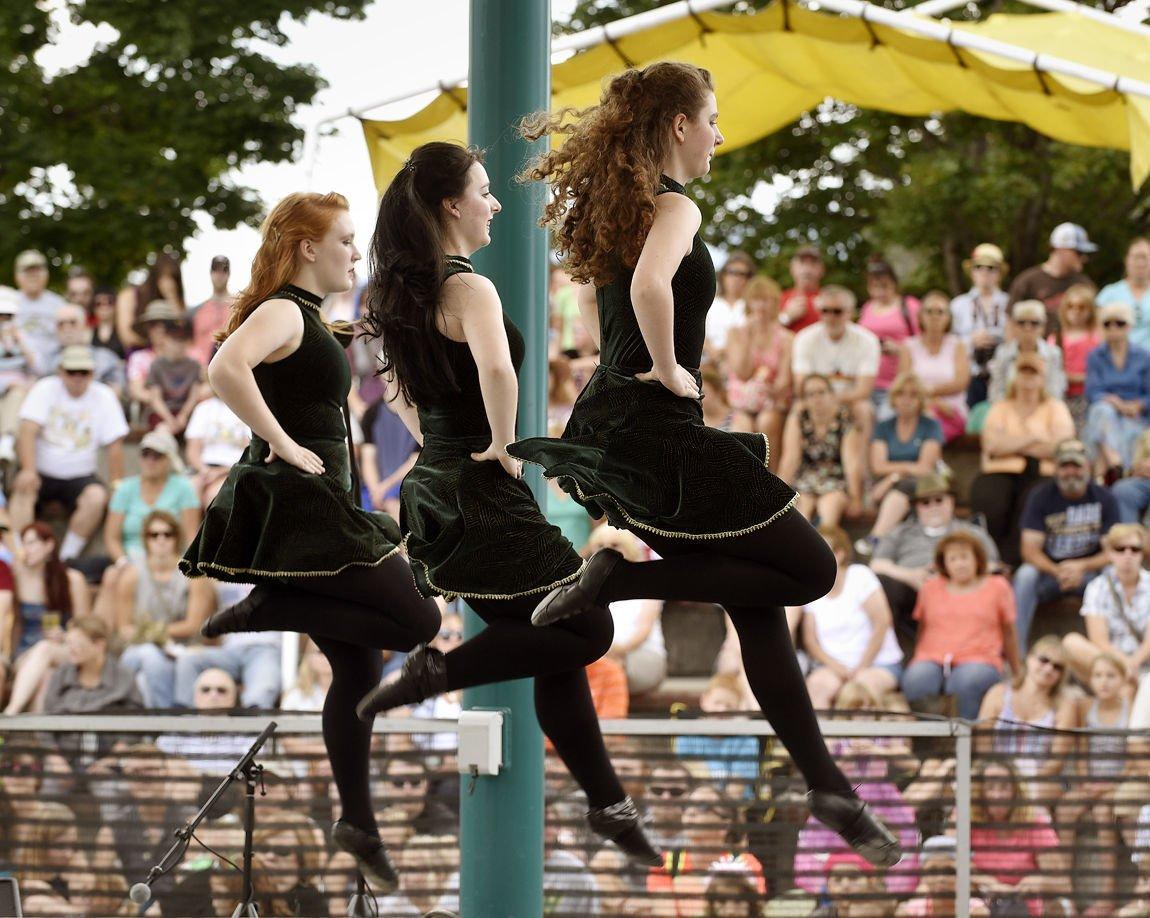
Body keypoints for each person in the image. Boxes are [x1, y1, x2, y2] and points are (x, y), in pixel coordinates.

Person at [511, 60, 900, 867]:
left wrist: (627, 366)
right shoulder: (675, 205)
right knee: (813, 570)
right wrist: (666, 367)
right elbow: (653, 289)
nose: (720, 135)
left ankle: (828, 784)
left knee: (755, 609)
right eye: (713, 120)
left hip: (618, 423)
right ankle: (621, 578)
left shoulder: (611, 214)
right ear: (680, 125)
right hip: (662, 426)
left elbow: (591, 307)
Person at [353, 141, 662, 866]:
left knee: (554, 648)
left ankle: (607, 803)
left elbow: (392, 389)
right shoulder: (470, 288)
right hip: (482, 483)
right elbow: (496, 365)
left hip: (434, 486)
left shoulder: (398, 295)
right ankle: (437, 674)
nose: (494, 204)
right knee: (584, 631)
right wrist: (499, 441)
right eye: (484, 192)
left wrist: (433, 443)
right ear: (450, 205)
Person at [181, 190, 442, 892]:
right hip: (306, 506)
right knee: (421, 618)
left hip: (320, 500)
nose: (356, 253)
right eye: (347, 240)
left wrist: (337, 339)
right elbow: (224, 369)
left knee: (357, 673)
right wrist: (283, 442)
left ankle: (356, 821)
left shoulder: (302, 318)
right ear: (307, 247)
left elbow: (283, 369)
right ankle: (274, 609)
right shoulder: (277, 312)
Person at [11, 344, 128, 560]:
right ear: (60, 371)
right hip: (42, 471)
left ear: (92, 373)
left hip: (81, 476)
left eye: (83, 372)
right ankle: (20, 554)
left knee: (96, 497)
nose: (78, 377)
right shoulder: (45, 388)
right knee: (22, 488)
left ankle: (66, 558)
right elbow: (27, 430)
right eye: (72, 372)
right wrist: (29, 469)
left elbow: (115, 445)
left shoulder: (104, 396)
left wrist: (117, 485)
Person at [968, 352, 1075, 568]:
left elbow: (1062, 448)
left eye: (1033, 373)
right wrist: (1034, 438)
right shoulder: (1000, 408)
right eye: (1022, 373)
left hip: (1042, 472)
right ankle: (990, 557)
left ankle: (1013, 563)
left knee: (1031, 502)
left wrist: (1012, 444)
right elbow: (991, 446)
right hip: (1000, 470)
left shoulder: (1055, 407)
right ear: (1014, 377)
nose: (1028, 379)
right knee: (991, 500)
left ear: (1043, 378)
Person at [1013, 438, 1119, 652]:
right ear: (1055, 469)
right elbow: (1029, 550)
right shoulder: (1040, 497)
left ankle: (1112, 653)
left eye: (1076, 465)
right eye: (1064, 466)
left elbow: (1112, 550)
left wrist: (1081, 567)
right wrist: (1057, 570)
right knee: (1025, 575)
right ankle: (1017, 655)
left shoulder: (1104, 498)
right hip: (1049, 574)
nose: (1071, 472)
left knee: (1113, 571)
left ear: (1087, 467)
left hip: (1089, 576)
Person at [900, 530, 1019, 719]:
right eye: (953, 558)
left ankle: (964, 742)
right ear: (944, 563)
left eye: (964, 557)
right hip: (933, 656)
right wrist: (919, 658)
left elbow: (1009, 631)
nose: (959, 563)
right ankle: (926, 741)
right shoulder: (930, 589)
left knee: (965, 682)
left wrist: (1016, 670)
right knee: (916, 680)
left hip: (980, 658)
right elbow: (923, 628)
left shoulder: (997, 586)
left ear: (976, 559)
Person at [871, 473, 999, 644]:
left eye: (939, 500)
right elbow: (877, 564)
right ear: (917, 507)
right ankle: (887, 649)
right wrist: (911, 575)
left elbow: (993, 565)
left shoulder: (972, 532)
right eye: (925, 503)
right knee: (881, 583)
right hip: (912, 591)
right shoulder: (900, 532)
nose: (933, 507)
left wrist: (952, 575)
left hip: (961, 592)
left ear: (951, 501)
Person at [91, 428, 200, 625]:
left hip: (171, 556)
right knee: (113, 575)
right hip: (132, 556)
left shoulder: (184, 488)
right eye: (145, 454)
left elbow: (191, 536)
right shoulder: (125, 489)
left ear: (169, 459)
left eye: (157, 455)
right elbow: (111, 538)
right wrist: (123, 562)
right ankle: (99, 637)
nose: (150, 460)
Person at [116, 510, 215, 708]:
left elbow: (194, 625)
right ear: (146, 540)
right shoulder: (131, 575)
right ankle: (167, 718)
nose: (161, 540)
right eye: (154, 535)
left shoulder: (193, 575)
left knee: (147, 680)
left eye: (167, 534)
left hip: (182, 647)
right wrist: (151, 637)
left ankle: (163, 724)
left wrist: (156, 632)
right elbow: (123, 628)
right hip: (139, 648)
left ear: (176, 538)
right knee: (150, 656)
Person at [800, 525, 903, 710]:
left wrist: (861, 667)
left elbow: (882, 622)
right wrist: (838, 669)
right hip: (832, 668)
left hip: (877, 664)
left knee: (860, 690)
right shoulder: (811, 586)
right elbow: (810, 641)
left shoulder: (860, 576)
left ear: (839, 554)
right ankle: (824, 740)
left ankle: (863, 740)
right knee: (816, 688)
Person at [1, 522, 90, 714]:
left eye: (32, 543)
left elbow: (86, 626)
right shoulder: (17, 577)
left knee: (45, 649)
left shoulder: (72, 580)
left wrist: (66, 635)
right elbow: (15, 624)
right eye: (24, 544)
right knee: (46, 676)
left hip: (64, 648)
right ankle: (40, 738)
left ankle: (11, 713)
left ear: (49, 545)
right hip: (25, 653)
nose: (27, 550)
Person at [969, 759, 1071, 915]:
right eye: (989, 788)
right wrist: (992, 884)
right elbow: (951, 866)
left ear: (1016, 791)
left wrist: (1038, 881)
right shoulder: (968, 821)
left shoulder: (1035, 823)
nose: (997, 795)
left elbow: (1063, 883)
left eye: (1004, 788)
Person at [859, 373, 944, 553]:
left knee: (906, 486)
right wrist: (903, 471)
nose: (906, 400)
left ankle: (876, 536)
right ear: (893, 398)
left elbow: (925, 468)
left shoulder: (931, 426)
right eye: (901, 394)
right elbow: (877, 465)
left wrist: (894, 476)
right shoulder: (884, 427)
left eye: (913, 395)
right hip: (886, 484)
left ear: (920, 400)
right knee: (901, 489)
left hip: (919, 484)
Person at [978, 635, 1075, 785]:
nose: (1049, 669)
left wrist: (1024, 783)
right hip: (994, 776)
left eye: (1057, 667)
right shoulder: (998, 693)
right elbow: (982, 744)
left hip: (1039, 781)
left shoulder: (1064, 706)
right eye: (1044, 660)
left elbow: (1056, 762)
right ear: (1029, 658)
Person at [1062, 522, 1150, 683]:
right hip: (1111, 662)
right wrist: (1124, 665)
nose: (1128, 554)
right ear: (1109, 553)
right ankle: (1118, 681)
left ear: (1141, 554)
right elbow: (1099, 640)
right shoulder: (1097, 587)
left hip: (1144, 663)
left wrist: (1134, 664)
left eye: (1135, 549)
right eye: (1120, 549)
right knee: (1071, 643)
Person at [174, 580, 282, 709]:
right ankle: (185, 721)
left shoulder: (275, 570)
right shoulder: (219, 571)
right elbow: (210, 620)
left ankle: (253, 726)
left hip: (264, 647)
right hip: (229, 650)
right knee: (189, 659)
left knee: (262, 689)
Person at [792, 285, 880, 440]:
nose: (830, 317)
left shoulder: (867, 340)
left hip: (850, 400)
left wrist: (831, 400)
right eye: (825, 311)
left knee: (863, 409)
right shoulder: (804, 338)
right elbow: (801, 386)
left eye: (837, 311)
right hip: (814, 398)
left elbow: (864, 390)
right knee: (798, 409)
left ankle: (862, 463)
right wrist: (821, 400)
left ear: (850, 313)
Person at [777, 373, 864, 528]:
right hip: (805, 480)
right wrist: (776, 492)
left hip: (836, 480)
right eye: (811, 394)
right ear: (804, 400)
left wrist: (855, 498)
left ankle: (826, 549)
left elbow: (852, 463)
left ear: (831, 395)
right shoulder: (798, 420)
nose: (817, 398)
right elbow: (790, 459)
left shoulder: (845, 421)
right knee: (800, 513)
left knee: (829, 509)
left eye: (821, 392)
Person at [726, 275, 793, 458]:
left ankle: (772, 478)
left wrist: (769, 389)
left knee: (767, 422)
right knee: (742, 429)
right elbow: (741, 373)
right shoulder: (736, 333)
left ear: (775, 303)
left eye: (766, 300)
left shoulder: (786, 338)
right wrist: (748, 339)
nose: (761, 306)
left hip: (772, 399)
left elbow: (784, 380)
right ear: (749, 303)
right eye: (756, 300)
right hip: (743, 401)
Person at [1084, 300, 1150, 476]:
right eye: (1107, 324)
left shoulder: (1144, 356)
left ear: (1129, 326)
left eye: (1119, 323)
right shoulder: (1095, 356)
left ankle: (1109, 473)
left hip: (1135, 414)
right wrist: (1116, 403)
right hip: (1107, 409)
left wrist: (1137, 405)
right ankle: (1115, 463)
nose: (1113, 328)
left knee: (1128, 429)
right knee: (1102, 412)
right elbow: (1092, 391)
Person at [898, 291, 969, 441]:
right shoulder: (908, 346)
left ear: (948, 317)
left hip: (950, 410)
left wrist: (930, 394)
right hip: (915, 407)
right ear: (920, 316)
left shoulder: (958, 345)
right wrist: (933, 401)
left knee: (927, 423)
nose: (934, 316)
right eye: (929, 311)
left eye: (940, 312)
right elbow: (905, 383)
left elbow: (961, 382)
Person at [42, 615, 142, 713]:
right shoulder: (62, 674)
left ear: (99, 645)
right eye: (68, 643)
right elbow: (49, 714)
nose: (71, 649)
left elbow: (136, 718)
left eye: (78, 643)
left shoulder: (123, 676)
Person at [950, 242, 1010, 406]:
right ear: (972, 272)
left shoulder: (1008, 303)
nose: (985, 272)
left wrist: (997, 339)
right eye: (979, 267)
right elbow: (949, 343)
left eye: (991, 268)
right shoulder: (958, 305)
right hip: (969, 374)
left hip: (1001, 373)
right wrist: (971, 341)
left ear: (1000, 273)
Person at [859, 258, 920, 414]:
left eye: (884, 286)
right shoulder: (867, 308)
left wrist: (899, 349)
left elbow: (923, 344)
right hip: (869, 381)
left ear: (894, 284)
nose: (879, 292)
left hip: (897, 383)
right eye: (874, 287)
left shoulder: (910, 306)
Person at [1007, 222, 1096, 328]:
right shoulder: (1027, 281)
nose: (1084, 258)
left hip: (1076, 343)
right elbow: (1011, 321)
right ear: (1061, 249)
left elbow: (1095, 320)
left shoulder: (1084, 284)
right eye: (1079, 252)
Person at [988, 299, 1068, 406]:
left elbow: (1056, 391)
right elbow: (996, 391)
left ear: (1043, 327)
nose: (1027, 328)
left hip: (1044, 412)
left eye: (1034, 323)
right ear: (1014, 326)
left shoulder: (1053, 353)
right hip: (1009, 412)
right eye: (1021, 322)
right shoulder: (1003, 353)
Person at [360, 389, 420, 520]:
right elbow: (368, 457)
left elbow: (415, 460)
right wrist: (375, 490)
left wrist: (385, 489)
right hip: (376, 489)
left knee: (398, 507)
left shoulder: (419, 414)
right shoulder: (372, 413)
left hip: (407, 483)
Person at [184, 393, 250, 507]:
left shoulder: (247, 408)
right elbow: (192, 450)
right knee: (189, 492)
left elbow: (250, 452)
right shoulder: (203, 408)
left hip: (235, 470)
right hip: (203, 469)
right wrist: (205, 470)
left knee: (215, 496)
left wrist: (221, 472)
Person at [1051, 283, 1101, 430]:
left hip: (1088, 396)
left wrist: (1077, 377)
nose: (1076, 311)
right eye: (1071, 306)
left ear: (1090, 310)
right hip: (1060, 395)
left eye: (1081, 307)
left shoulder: (1096, 338)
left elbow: (1101, 370)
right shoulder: (1056, 338)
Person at [143, 315, 203, 435]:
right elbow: (155, 398)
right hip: (162, 413)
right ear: (165, 339)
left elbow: (194, 395)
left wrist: (183, 415)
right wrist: (169, 419)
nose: (178, 344)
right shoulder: (156, 365)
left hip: (187, 412)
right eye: (174, 339)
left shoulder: (194, 365)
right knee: (163, 430)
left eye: (182, 339)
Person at [49, 302, 124, 396]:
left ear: (85, 326)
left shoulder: (106, 358)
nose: (67, 328)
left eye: (73, 323)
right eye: (61, 324)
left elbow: (115, 393)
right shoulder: (47, 360)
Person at [12, 249, 67, 376]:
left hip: (54, 369)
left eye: (37, 271)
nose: (33, 276)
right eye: (27, 272)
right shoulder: (7, 302)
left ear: (46, 274)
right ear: (17, 276)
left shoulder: (59, 304)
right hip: (16, 370)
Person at [116, 252, 186, 349]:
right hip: (140, 355)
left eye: (173, 278)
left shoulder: (176, 302)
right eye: (164, 276)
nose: (168, 283)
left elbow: (183, 333)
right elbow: (126, 336)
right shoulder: (129, 296)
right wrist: (153, 347)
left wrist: (171, 297)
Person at [0, 287, 35, 461]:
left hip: (18, 394)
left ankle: (7, 441)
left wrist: (19, 342)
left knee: (16, 396)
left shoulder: (24, 337)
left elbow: (38, 367)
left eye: (8, 316)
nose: (4, 321)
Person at [1097, 236, 1150, 348]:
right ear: (1127, 260)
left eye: (1145, 257)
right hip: (1116, 361)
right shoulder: (1109, 293)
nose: (1140, 263)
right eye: (1136, 257)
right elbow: (1097, 329)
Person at [706, 250, 755, 361]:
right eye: (732, 272)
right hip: (708, 361)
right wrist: (711, 351)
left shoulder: (754, 306)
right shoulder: (710, 303)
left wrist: (724, 351)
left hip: (742, 362)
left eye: (742, 274)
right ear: (723, 275)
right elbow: (698, 332)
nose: (736, 278)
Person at [190, 255, 234, 366]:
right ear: (210, 273)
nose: (219, 275)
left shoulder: (238, 308)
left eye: (223, 270)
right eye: (216, 270)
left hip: (228, 366)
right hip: (201, 369)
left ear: (228, 274)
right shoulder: (197, 311)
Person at [779, 244, 824, 333]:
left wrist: (827, 313)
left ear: (821, 270)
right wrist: (787, 316)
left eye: (813, 264)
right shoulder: (779, 299)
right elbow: (764, 332)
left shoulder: (829, 300)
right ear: (792, 268)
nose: (807, 269)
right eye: (802, 263)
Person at [89, 285, 124, 359]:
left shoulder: (124, 331)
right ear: (93, 307)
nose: (104, 307)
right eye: (98, 303)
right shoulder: (87, 333)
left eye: (109, 302)